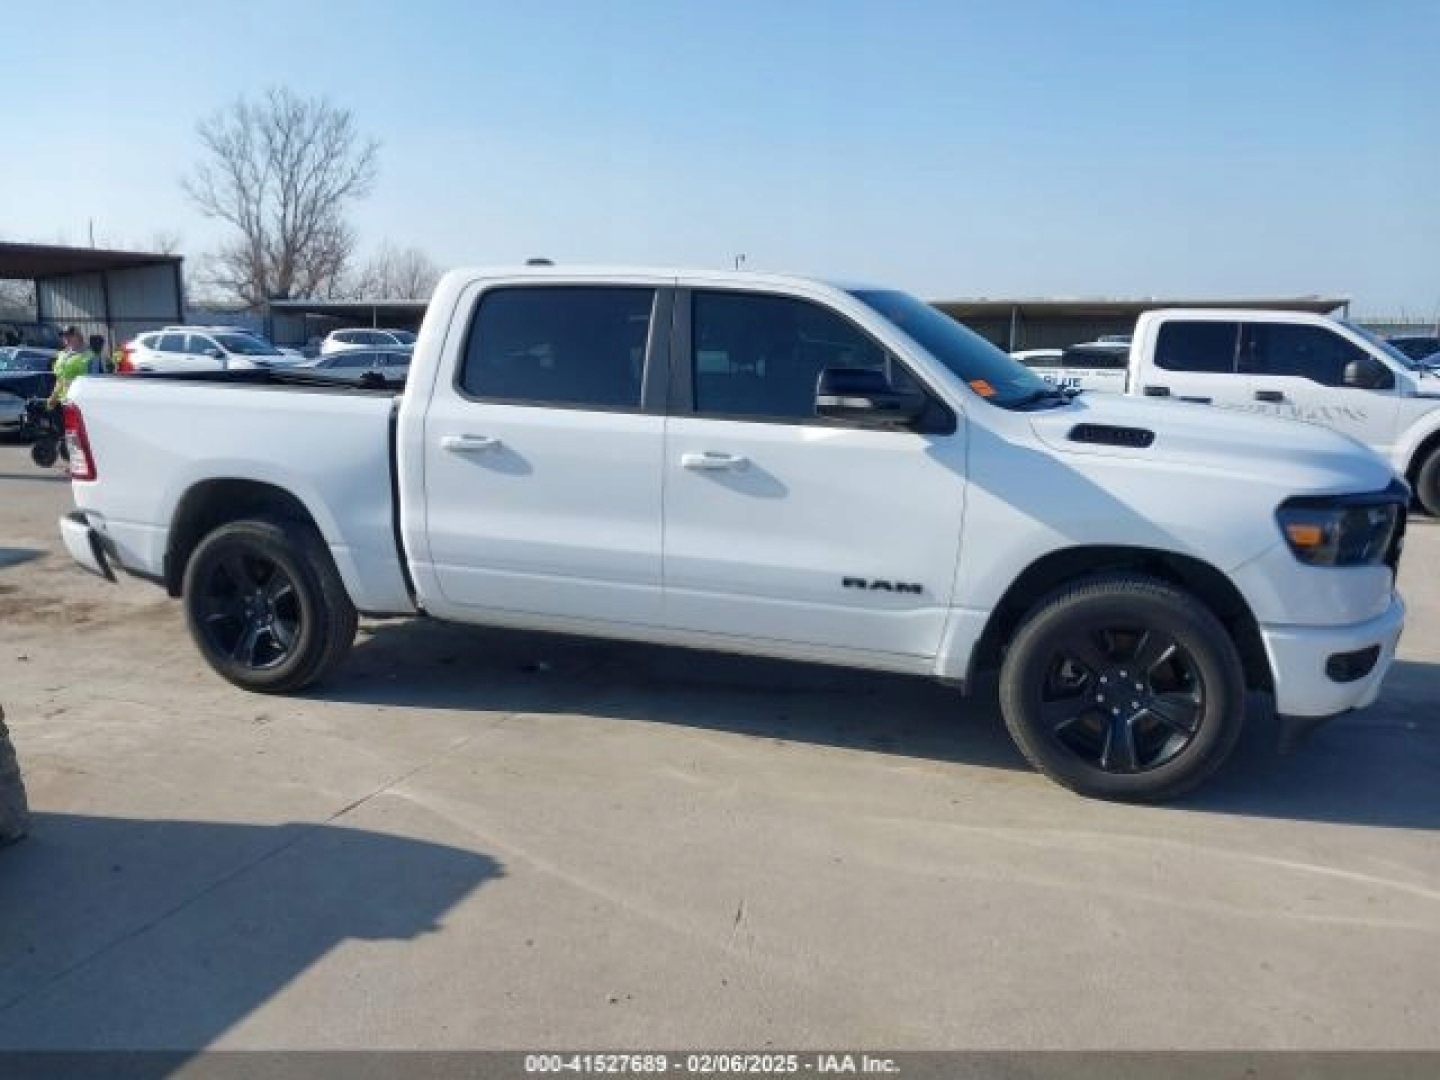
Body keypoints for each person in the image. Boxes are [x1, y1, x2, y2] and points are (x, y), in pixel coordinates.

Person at [45, 326, 95, 411]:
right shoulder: (62, 354)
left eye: (70, 336)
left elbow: (93, 382)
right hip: (62, 401)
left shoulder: (89, 356)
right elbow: (60, 379)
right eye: (64, 336)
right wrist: (54, 396)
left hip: (78, 402)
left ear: (79, 336)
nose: (66, 338)